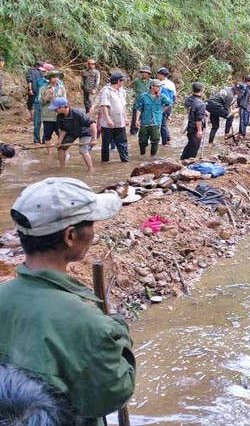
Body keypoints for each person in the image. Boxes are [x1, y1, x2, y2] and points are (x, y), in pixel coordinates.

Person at [0, 177, 136, 426]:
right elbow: (113, 394)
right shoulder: (91, 324)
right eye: (92, 224)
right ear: (70, 236)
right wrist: (119, 331)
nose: (94, 233)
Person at [52, 98, 97, 171]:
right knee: (61, 148)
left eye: (55, 108)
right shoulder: (60, 116)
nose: (54, 110)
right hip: (72, 132)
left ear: (62, 107)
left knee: (83, 150)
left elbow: (92, 123)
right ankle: (62, 168)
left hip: (84, 132)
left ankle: (91, 169)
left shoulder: (78, 113)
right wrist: (59, 141)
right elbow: (63, 130)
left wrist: (94, 138)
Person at [96, 73, 129, 163]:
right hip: (108, 124)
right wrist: (108, 119)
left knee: (122, 143)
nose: (123, 82)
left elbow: (123, 106)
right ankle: (105, 162)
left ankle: (125, 161)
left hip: (120, 122)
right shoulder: (106, 91)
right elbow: (104, 106)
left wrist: (126, 117)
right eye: (122, 80)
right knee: (106, 144)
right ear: (118, 81)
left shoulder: (121, 91)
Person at [134, 79, 171, 156]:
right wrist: (137, 120)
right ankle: (142, 155)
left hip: (156, 122)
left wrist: (161, 112)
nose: (160, 88)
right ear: (152, 86)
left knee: (155, 140)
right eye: (158, 86)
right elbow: (139, 108)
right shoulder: (143, 96)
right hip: (145, 122)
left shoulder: (162, 97)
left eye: (160, 86)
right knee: (142, 141)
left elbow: (168, 103)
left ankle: (152, 156)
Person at [38, 70, 66, 147]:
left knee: (61, 135)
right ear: (49, 79)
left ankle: (62, 151)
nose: (56, 79)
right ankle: (49, 153)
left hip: (60, 116)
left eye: (57, 77)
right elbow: (41, 102)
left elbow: (64, 101)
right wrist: (48, 95)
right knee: (47, 136)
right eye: (54, 77)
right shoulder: (43, 88)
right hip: (48, 116)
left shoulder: (62, 88)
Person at [181, 82, 207, 160]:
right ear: (202, 91)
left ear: (192, 90)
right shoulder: (201, 104)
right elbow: (198, 119)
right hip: (195, 128)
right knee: (194, 147)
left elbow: (191, 108)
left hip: (189, 126)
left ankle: (182, 159)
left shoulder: (188, 100)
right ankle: (189, 162)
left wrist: (204, 111)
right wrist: (199, 130)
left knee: (190, 144)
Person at [157, 68, 177, 146]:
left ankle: (165, 142)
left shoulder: (161, 85)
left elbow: (159, 96)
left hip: (163, 107)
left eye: (158, 74)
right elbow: (174, 97)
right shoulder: (171, 84)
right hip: (169, 106)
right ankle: (168, 139)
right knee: (164, 123)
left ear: (161, 75)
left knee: (162, 124)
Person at [129, 66, 152, 136]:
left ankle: (145, 133)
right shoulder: (137, 82)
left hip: (148, 103)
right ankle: (133, 133)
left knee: (146, 119)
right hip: (137, 103)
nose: (144, 74)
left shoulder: (151, 82)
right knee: (134, 119)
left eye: (146, 73)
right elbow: (134, 91)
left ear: (149, 74)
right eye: (143, 73)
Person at [30, 64, 50, 144]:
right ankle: (36, 140)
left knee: (47, 123)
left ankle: (45, 140)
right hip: (38, 103)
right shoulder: (39, 81)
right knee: (37, 122)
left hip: (49, 105)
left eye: (44, 71)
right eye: (42, 71)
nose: (42, 73)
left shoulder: (57, 82)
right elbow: (36, 91)